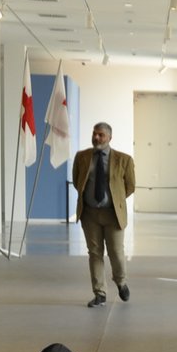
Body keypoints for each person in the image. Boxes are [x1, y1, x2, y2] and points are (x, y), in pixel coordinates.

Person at [72, 121, 135, 308]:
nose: (96, 137)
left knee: (116, 252)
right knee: (95, 253)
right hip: (90, 214)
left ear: (109, 138)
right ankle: (99, 293)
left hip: (113, 214)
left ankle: (121, 281)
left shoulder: (124, 160)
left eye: (100, 135)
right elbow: (77, 181)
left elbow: (130, 186)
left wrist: (114, 199)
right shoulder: (82, 157)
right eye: (94, 133)